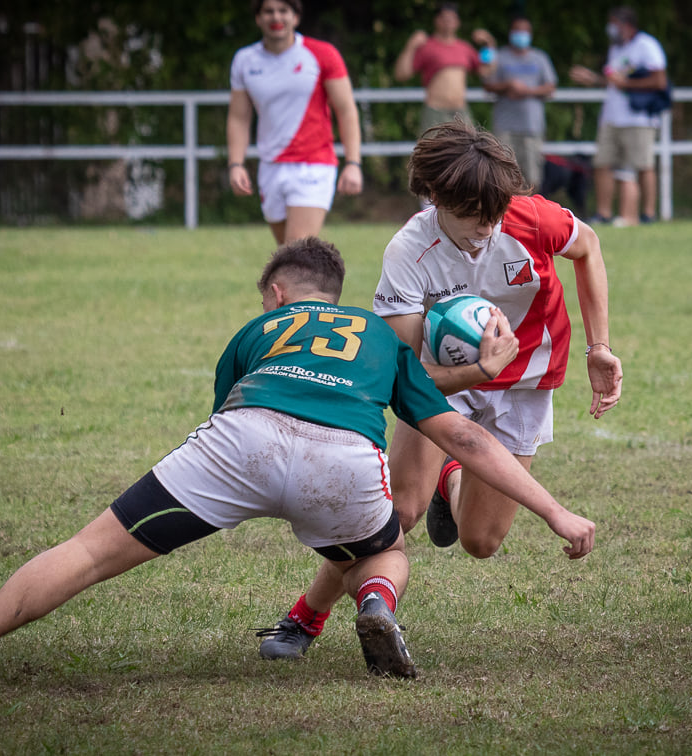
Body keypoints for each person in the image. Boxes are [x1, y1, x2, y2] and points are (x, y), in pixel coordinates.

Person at [0, 238, 599, 689]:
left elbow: (228, 407)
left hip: (238, 447)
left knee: (87, 552)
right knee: (385, 550)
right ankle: (375, 606)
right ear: (339, 297)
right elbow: (470, 441)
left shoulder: (257, 330)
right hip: (343, 467)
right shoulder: (380, 341)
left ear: (276, 295)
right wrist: (555, 510)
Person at [254, 120, 623, 662]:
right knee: (397, 511)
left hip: (524, 379)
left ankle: (451, 477)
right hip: (440, 377)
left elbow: (588, 249)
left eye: (497, 213)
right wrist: (475, 371)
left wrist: (599, 348)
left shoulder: (526, 216)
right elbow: (410, 374)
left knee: (481, 541)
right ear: (435, 198)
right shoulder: (409, 251)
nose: (490, 227)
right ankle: (305, 618)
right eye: (476, 217)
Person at [226, 0, 363, 245]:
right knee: (287, 257)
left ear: (296, 17)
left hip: (313, 164)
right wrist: (235, 164)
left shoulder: (322, 54)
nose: (276, 17)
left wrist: (353, 162)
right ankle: (316, 284)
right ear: (258, 18)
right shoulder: (245, 60)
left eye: (283, 11)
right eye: (268, 11)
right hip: (271, 166)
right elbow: (239, 117)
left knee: (295, 253)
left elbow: (346, 110)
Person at [569, 6, 667, 226]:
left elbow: (659, 81)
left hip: (638, 118)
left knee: (642, 165)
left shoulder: (646, 45)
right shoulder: (616, 49)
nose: (611, 29)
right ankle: (603, 214)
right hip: (611, 117)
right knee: (603, 163)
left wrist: (627, 84)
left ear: (627, 25)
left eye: (614, 23)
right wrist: (593, 79)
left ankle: (647, 214)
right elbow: (613, 82)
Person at [394, 2, 496, 134]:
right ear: (436, 20)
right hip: (435, 112)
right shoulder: (427, 46)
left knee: (468, 152)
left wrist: (490, 44)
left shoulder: (464, 48)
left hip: (460, 112)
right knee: (432, 153)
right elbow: (401, 74)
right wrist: (411, 46)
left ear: (458, 22)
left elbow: (486, 71)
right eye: (444, 18)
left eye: (452, 18)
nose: (448, 22)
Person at [482, 15, 557, 191]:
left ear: (530, 33)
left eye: (525, 31)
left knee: (532, 174)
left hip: (532, 126)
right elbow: (487, 84)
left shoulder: (539, 58)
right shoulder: (499, 57)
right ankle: (506, 211)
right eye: (517, 30)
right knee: (502, 172)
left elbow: (550, 87)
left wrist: (527, 91)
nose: (521, 34)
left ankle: (531, 212)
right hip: (504, 126)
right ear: (510, 33)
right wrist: (507, 86)